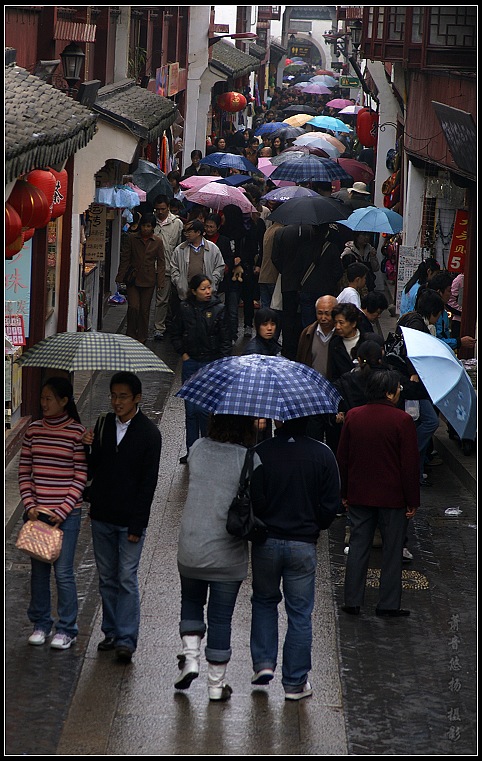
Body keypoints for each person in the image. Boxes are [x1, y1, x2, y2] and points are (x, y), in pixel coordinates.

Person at [249, 416, 341, 700]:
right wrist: (315, 524)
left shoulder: (261, 452)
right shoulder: (323, 454)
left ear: (278, 421)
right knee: (300, 613)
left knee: (264, 601)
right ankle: (295, 682)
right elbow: (331, 505)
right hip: (303, 543)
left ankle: (264, 663)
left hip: (267, 542)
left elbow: (254, 498)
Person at [175, 414, 259, 700]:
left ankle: (190, 658)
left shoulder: (197, 447)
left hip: (191, 545)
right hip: (227, 553)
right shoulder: (250, 458)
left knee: (191, 602)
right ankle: (215, 685)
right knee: (221, 619)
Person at [82, 372, 162, 662]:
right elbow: (93, 468)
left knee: (126, 577)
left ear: (137, 398)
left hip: (129, 520)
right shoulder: (103, 423)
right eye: (114, 395)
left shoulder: (149, 434)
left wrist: (137, 524)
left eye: (123, 396)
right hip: (102, 514)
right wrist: (87, 445)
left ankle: (127, 638)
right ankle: (111, 632)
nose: (117, 402)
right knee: (107, 578)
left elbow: (148, 483)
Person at [337, 369, 419, 617]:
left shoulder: (353, 416)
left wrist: (344, 492)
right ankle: (388, 604)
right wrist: (412, 500)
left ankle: (352, 600)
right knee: (392, 550)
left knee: (359, 545)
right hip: (392, 498)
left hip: (360, 494)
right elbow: (410, 465)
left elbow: (343, 458)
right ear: (389, 392)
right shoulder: (402, 421)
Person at [18, 376, 88, 650]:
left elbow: (80, 475)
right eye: (42, 398)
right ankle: (41, 623)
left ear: (64, 401)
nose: (43, 403)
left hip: (66, 516)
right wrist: (30, 504)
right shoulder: (33, 431)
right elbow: (25, 471)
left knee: (63, 573)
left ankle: (67, 628)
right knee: (38, 572)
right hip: (38, 514)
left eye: (49, 399)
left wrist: (64, 508)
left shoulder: (76, 433)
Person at [170, 274, 232, 463]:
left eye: (209, 287)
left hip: (210, 364)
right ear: (194, 290)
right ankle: (191, 451)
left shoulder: (219, 309)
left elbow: (225, 339)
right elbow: (175, 331)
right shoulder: (184, 308)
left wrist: (221, 363)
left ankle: (205, 449)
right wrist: (183, 353)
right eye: (203, 288)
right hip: (191, 363)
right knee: (190, 411)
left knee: (205, 410)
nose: (208, 291)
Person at [393, 289, 445, 486]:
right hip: (412, 383)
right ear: (433, 310)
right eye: (439, 313)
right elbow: (411, 351)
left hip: (409, 381)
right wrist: (414, 372)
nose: (438, 318)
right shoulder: (417, 324)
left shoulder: (409, 317)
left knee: (419, 422)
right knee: (430, 421)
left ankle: (417, 470)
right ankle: (409, 456)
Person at [296, 294, 342, 452]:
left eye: (327, 313)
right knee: (312, 441)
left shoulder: (341, 335)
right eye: (320, 313)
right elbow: (301, 362)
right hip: (312, 397)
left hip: (334, 397)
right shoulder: (307, 334)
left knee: (334, 441)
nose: (323, 317)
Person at [116, 213, 165, 344]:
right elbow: (125, 258)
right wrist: (120, 276)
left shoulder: (158, 242)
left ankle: (142, 335)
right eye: (143, 225)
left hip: (149, 280)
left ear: (153, 227)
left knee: (145, 310)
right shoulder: (132, 239)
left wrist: (160, 280)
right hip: (133, 278)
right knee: (133, 307)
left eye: (148, 226)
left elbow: (161, 262)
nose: (145, 229)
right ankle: (131, 333)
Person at [219, 204, 259, 341]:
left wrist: (241, 258)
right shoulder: (222, 232)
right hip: (230, 273)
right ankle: (232, 331)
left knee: (247, 298)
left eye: (225, 213)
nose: (222, 216)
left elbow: (253, 249)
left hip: (245, 271)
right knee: (232, 302)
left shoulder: (246, 230)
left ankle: (248, 324)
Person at [170, 219, 225, 319]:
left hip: (205, 292)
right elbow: (174, 268)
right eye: (185, 231)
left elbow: (220, 267)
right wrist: (179, 282)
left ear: (198, 232)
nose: (186, 234)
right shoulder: (180, 249)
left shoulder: (213, 248)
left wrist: (213, 280)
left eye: (189, 231)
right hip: (186, 291)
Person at [152, 195, 184, 341]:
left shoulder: (177, 223)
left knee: (162, 300)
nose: (160, 212)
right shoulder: (151, 222)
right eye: (157, 209)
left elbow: (179, 246)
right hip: (149, 267)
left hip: (167, 268)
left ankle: (159, 327)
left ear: (168, 208)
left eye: (163, 209)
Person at [203, 212, 234, 299]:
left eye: (211, 227)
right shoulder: (201, 240)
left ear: (218, 227)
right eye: (206, 226)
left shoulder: (224, 241)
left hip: (220, 281)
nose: (208, 229)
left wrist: (223, 269)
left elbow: (229, 258)